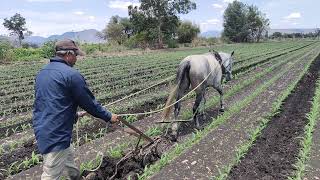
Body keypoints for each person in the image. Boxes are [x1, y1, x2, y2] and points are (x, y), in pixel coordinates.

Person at [32, 39, 118, 180]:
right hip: (56, 133)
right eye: (76, 55)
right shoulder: (72, 75)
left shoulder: (42, 73)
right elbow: (89, 103)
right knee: (51, 174)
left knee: (68, 158)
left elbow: (50, 103)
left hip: (43, 126)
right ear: (68, 54)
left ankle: (76, 177)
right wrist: (109, 116)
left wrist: (75, 114)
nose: (76, 58)